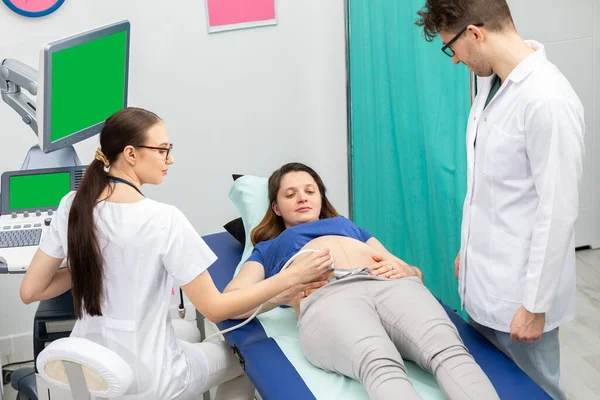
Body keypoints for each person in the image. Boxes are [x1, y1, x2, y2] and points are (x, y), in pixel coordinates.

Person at [19, 108, 332, 400]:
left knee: (184, 330)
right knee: (240, 357)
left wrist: (96, 260)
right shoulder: (162, 219)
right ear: (130, 154)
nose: (169, 160)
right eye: (162, 150)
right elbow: (215, 309)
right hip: (152, 380)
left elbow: (32, 291)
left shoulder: (73, 204)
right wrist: (289, 279)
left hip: (92, 367)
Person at [415, 2, 585, 399]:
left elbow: (557, 211)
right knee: (487, 388)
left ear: (475, 34)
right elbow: (492, 190)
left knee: (533, 392)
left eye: (451, 49)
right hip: (484, 284)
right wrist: (469, 249)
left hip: (521, 299)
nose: (455, 61)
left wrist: (535, 304)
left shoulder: (547, 100)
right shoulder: (491, 88)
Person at [224, 162, 499, 400]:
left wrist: (408, 272)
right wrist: (280, 293)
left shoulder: (348, 227)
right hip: (328, 298)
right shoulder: (268, 247)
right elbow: (229, 303)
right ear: (276, 208)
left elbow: (412, 272)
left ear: (320, 199)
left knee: (449, 351)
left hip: (389, 286)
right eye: (290, 194)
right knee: (380, 362)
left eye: (310, 191)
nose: (302, 198)